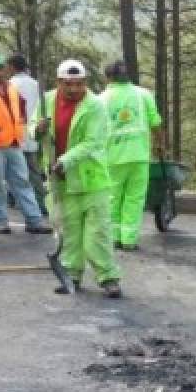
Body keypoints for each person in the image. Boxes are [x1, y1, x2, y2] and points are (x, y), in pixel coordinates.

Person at [35, 59, 121, 296]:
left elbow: (93, 142)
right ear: (59, 82)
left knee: (97, 234)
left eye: (79, 84)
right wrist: (37, 129)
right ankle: (71, 274)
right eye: (68, 84)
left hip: (91, 180)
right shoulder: (47, 101)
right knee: (69, 231)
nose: (74, 89)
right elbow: (31, 127)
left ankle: (108, 278)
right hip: (60, 181)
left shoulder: (95, 106)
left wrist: (66, 160)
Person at [0, 54, 51, 235]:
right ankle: (0, 221)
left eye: (1, 68)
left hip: (14, 143)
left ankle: (34, 220)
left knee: (23, 182)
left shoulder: (11, 88)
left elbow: (22, 109)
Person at [99, 60, 162, 250]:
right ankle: (129, 240)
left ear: (108, 78)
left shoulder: (101, 99)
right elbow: (155, 123)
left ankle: (114, 238)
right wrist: (159, 145)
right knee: (134, 199)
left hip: (113, 158)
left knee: (112, 198)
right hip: (139, 156)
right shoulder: (144, 94)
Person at [7, 53, 48, 216]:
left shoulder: (10, 84)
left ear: (12, 67)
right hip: (33, 131)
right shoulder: (36, 84)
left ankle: (15, 198)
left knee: (15, 169)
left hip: (16, 133)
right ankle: (40, 202)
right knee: (33, 170)